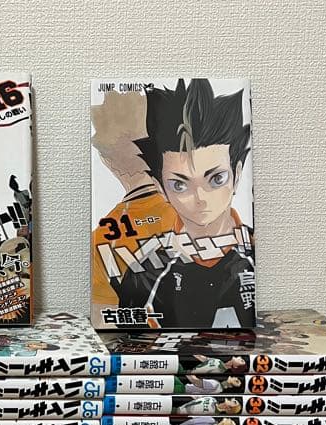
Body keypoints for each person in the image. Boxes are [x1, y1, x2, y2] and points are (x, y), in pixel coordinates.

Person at [109, 79, 254, 328]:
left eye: (216, 179)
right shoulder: (145, 275)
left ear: (237, 174)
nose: (200, 198)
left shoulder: (255, 254)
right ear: (161, 189)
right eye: (179, 184)